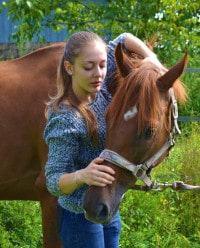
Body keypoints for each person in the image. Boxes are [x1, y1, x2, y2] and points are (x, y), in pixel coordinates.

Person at [44, 31, 162, 248]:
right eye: (88, 67)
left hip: (107, 204)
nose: (98, 73)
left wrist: (152, 59)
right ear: (70, 68)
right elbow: (53, 180)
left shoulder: (102, 86)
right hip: (79, 216)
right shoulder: (66, 117)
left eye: (102, 65)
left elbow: (124, 38)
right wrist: (82, 175)